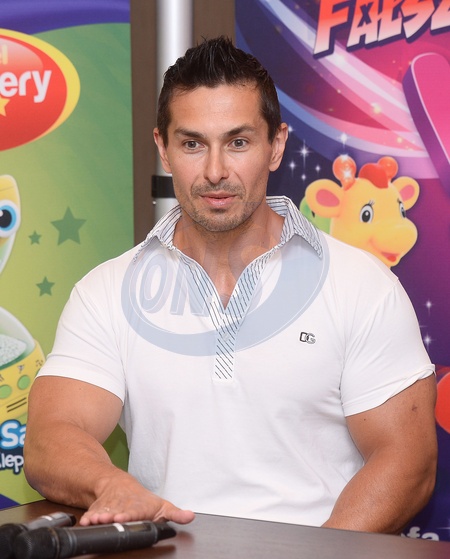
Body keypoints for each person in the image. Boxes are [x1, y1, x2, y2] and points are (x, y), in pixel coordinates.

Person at [24, 36, 437, 534]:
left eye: (238, 143)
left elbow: (407, 462)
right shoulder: (107, 291)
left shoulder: (362, 285)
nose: (215, 172)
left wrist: (322, 555)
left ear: (276, 146)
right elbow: (51, 438)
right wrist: (109, 484)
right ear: (163, 148)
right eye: (192, 144)